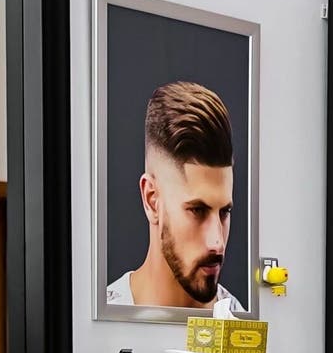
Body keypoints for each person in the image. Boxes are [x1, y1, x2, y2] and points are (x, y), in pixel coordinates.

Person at [105, 80, 245, 314]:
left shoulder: (242, 329)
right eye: (197, 210)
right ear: (152, 199)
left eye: (224, 212)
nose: (217, 242)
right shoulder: (95, 325)